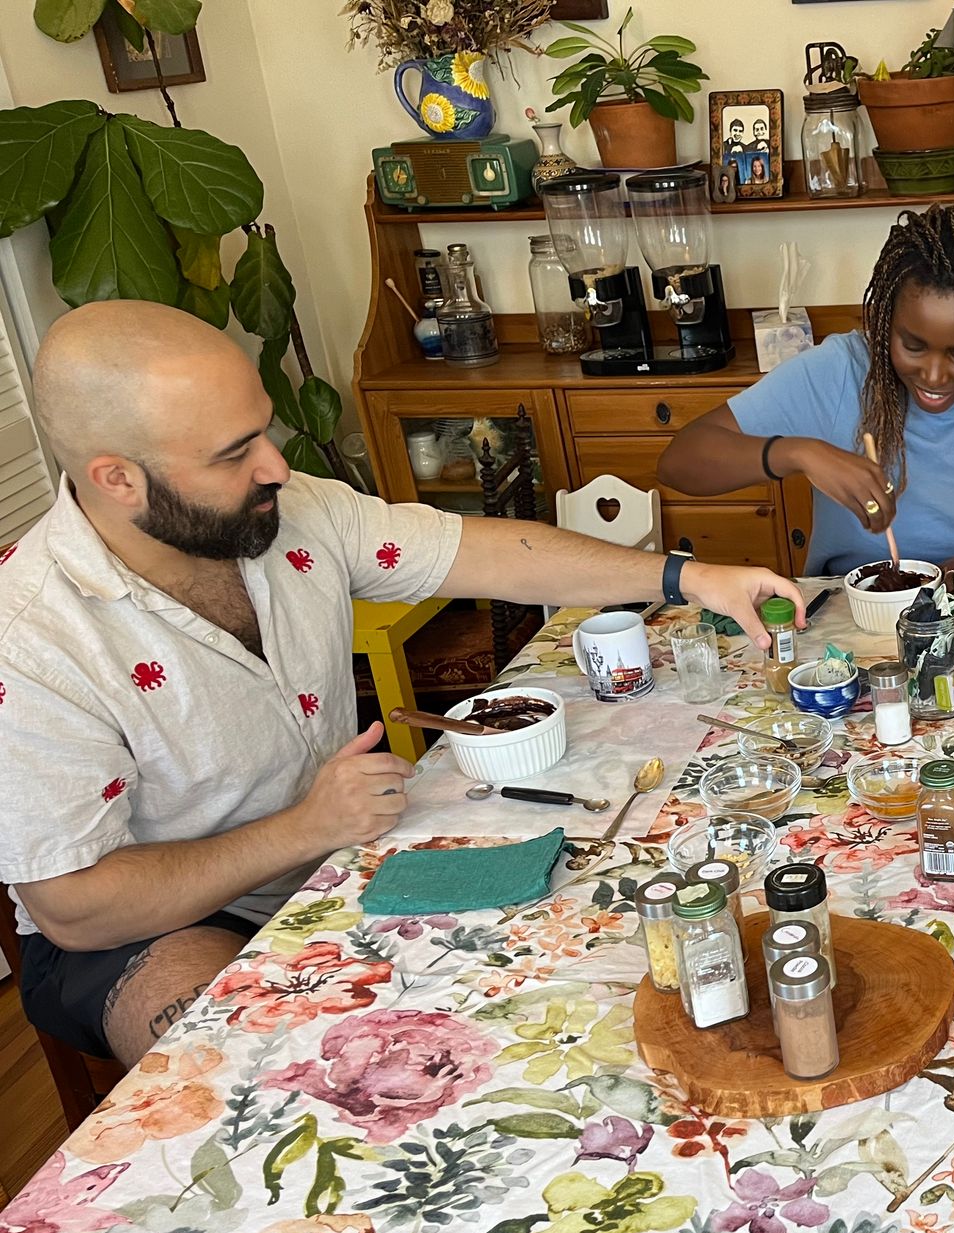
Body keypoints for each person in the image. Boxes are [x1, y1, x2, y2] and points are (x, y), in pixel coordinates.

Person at [0, 301, 803, 1067]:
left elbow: (483, 552)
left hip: (340, 850)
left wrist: (685, 575)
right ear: (117, 480)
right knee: (252, 1052)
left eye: (264, 433)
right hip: (153, 927)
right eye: (232, 452)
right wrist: (306, 829)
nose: (277, 465)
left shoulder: (291, 511)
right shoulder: (30, 638)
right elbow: (74, 905)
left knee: (571, 964)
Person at [658, 205, 954, 580]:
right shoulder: (839, 370)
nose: (935, 376)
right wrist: (797, 453)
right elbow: (679, 463)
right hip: (855, 612)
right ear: (885, 324)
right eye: (912, 345)